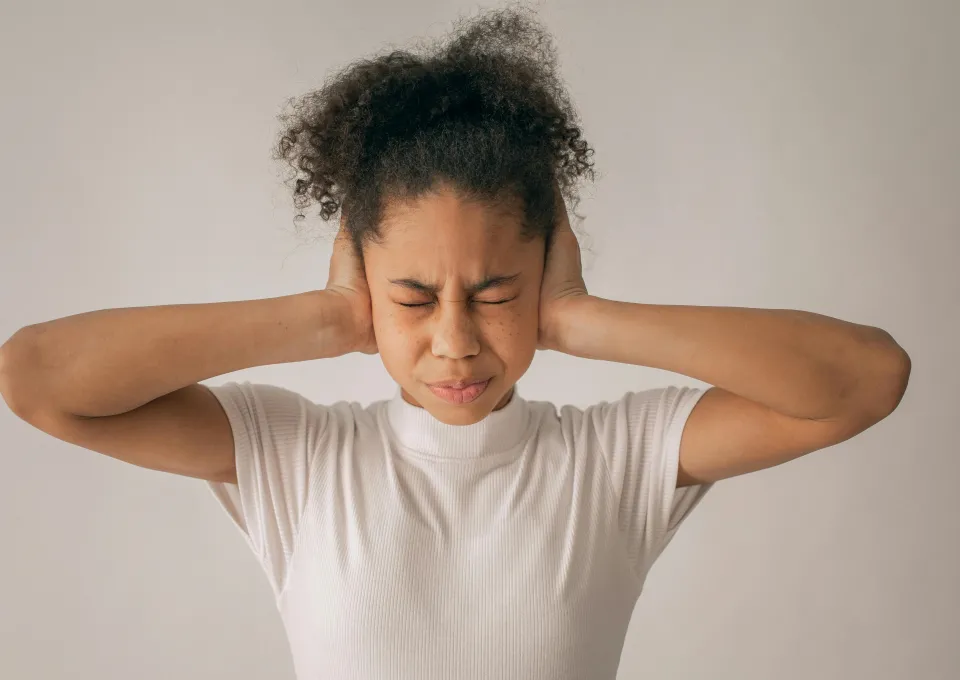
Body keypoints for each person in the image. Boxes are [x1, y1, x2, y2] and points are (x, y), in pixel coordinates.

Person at [0, 7, 911, 680]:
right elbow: (38, 378)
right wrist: (324, 317)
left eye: (495, 293)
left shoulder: (613, 460)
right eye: (411, 297)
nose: (454, 341)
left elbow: (867, 379)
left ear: (544, 271)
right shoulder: (299, 458)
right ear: (364, 282)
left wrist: (583, 318)